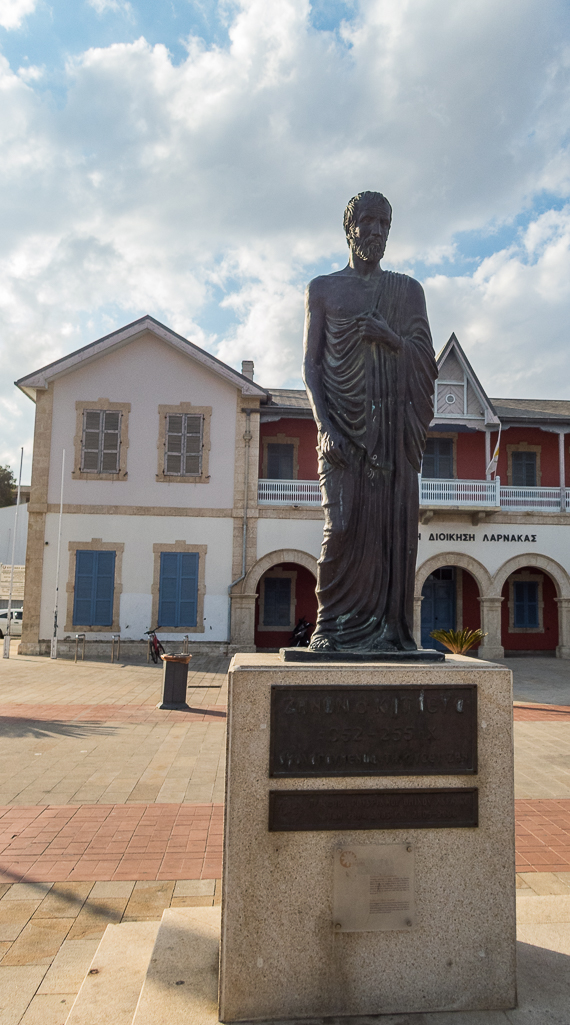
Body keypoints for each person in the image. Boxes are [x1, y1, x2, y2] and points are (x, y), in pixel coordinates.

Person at [303, 191, 437, 652]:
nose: (376, 231)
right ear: (349, 228)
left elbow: (425, 360)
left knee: (386, 536)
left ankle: (387, 633)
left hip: (391, 438)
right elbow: (311, 365)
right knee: (340, 529)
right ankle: (329, 627)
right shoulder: (322, 288)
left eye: (384, 224)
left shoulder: (407, 291)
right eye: (368, 222)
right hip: (340, 433)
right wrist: (325, 426)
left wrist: (390, 337)